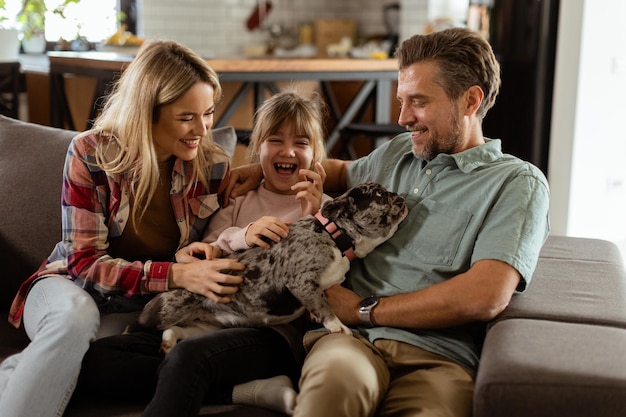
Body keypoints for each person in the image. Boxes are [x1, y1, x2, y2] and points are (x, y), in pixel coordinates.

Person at [226, 27, 551, 417]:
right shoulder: (399, 152)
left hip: (438, 359)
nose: (402, 117)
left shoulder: (515, 183)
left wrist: (364, 309)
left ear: (470, 100)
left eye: (418, 102)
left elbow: (485, 295)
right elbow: (336, 171)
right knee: (327, 398)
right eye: (401, 100)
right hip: (350, 344)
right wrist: (258, 171)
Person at [0, 39, 246, 417]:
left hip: (135, 309)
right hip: (67, 285)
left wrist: (260, 169)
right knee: (73, 321)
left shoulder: (211, 166)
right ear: (147, 112)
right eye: (187, 117)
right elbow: (84, 263)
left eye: (209, 113)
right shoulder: (90, 154)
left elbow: (238, 221)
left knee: (72, 362)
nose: (202, 128)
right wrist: (178, 274)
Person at [77, 89, 330, 417]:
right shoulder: (237, 200)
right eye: (275, 140)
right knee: (97, 359)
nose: (289, 151)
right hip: (206, 321)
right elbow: (204, 255)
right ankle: (245, 392)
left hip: (270, 335)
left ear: (317, 153)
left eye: (301, 142)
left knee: (187, 357)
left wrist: (312, 218)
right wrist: (243, 236)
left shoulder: (325, 211)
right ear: (257, 148)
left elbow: (325, 276)